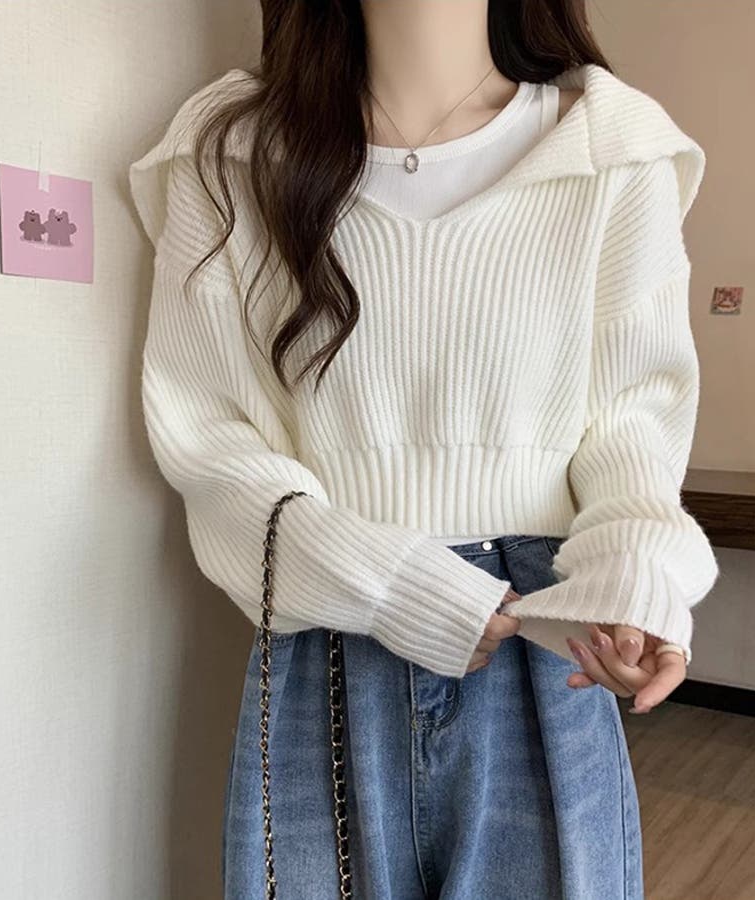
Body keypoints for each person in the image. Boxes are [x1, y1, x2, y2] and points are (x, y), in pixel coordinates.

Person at [128, 1, 720, 897]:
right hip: (329, 640)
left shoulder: (610, 148)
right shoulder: (233, 156)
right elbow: (211, 443)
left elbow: (632, 424)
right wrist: (387, 581)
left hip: (542, 638)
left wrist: (634, 581)